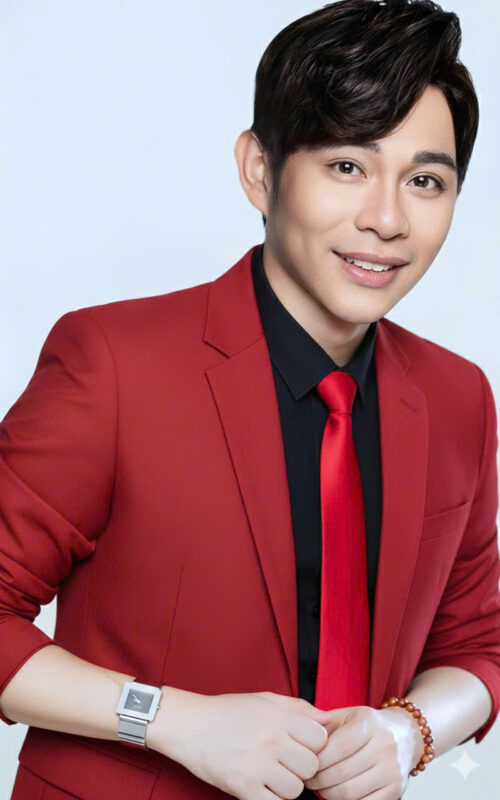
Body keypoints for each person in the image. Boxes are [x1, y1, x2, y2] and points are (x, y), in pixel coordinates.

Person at [1, 1, 499, 799]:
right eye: (347, 166)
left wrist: (406, 733)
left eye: (425, 181)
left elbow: (477, 642)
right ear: (260, 170)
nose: (386, 219)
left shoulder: (457, 396)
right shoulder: (114, 364)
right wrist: (171, 720)